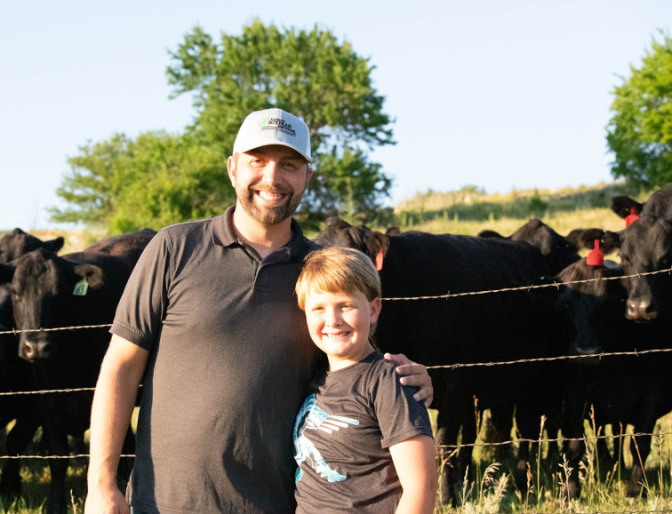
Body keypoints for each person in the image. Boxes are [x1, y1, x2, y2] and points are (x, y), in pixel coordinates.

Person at [85, 107, 433, 514]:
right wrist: (101, 485)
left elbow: (357, 367)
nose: (272, 177)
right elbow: (120, 367)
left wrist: (407, 382)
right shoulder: (174, 248)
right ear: (233, 168)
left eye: (289, 164)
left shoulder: (323, 273)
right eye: (258, 161)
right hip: (164, 504)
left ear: (307, 176)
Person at [293, 247, 437, 513]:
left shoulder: (390, 382)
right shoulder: (315, 377)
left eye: (345, 306)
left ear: (373, 309)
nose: (332, 321)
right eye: (319, 308)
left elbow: (422, 487)